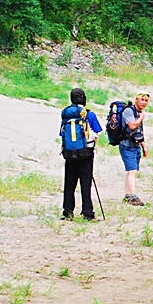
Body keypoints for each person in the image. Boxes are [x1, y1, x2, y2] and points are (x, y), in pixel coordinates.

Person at [61, 88, 103, 220]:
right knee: (85, 184)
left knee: (69, 184)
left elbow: (62, 133)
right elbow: (97, 132)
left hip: (69, 154)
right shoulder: (89, 114)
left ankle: (67, 212)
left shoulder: (66, 114)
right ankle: (87, 213)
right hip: (86, 154)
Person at [121, 92, 149, 206]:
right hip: (127, 145)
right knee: (132, 171)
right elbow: (132, 126)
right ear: (136, 99)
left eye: (146, 100)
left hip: (136, 145)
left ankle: (127, 195)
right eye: (141, 99)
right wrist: (141, 117)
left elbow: (139, 132)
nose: (143, 102)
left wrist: (144, 147)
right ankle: (133, 196)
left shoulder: (138, 112)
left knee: (131, 171)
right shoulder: (129, 111)